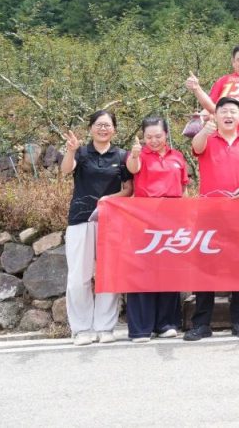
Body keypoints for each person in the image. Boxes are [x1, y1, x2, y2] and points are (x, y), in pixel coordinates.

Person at [187, 97, 239, 340]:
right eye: (224, 111)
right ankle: (201, 323)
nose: (228, 115)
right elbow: (197, 147)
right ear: (216, 116)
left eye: (233, 111)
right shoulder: (207, 138)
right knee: (205, 267)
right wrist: (205, 130)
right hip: (209, 214)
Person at [61, 110, 134, 346]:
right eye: (99, 125)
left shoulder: (121, 156)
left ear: (114, 129)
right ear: (91, 128)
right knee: (78, 277)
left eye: (108, 125)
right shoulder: (81, 153)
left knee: (108, 275)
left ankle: (105, 326)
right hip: (80, 219)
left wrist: (109, 199)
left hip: (111, 222)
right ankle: (81, 328)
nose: (103, 129)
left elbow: (129, 189)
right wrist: (71, 150)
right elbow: (66, 169)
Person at [124, 116, 188, 342]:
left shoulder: (177, 156)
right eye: (148, 137)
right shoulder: (138, 155)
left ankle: (165, 323)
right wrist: (134, 154)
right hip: (145, 220)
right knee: (143, 272)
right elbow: (133, 168)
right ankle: (141, 328)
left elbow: (183, 188)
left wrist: (187, 217)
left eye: (158, 136)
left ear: (166, 134)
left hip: (172, 219)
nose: (153, 140)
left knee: (168, 271)